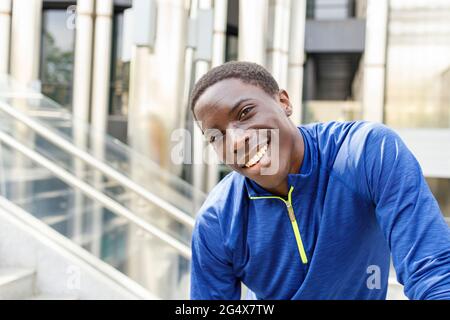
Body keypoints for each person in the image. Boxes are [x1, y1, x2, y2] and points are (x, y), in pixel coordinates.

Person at [189, 61, 450, 300]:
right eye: (215, 136)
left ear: (283, 103)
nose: (235, 142)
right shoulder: (217, 221)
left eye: (245, 113)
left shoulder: (365, 153)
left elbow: (433, 272)